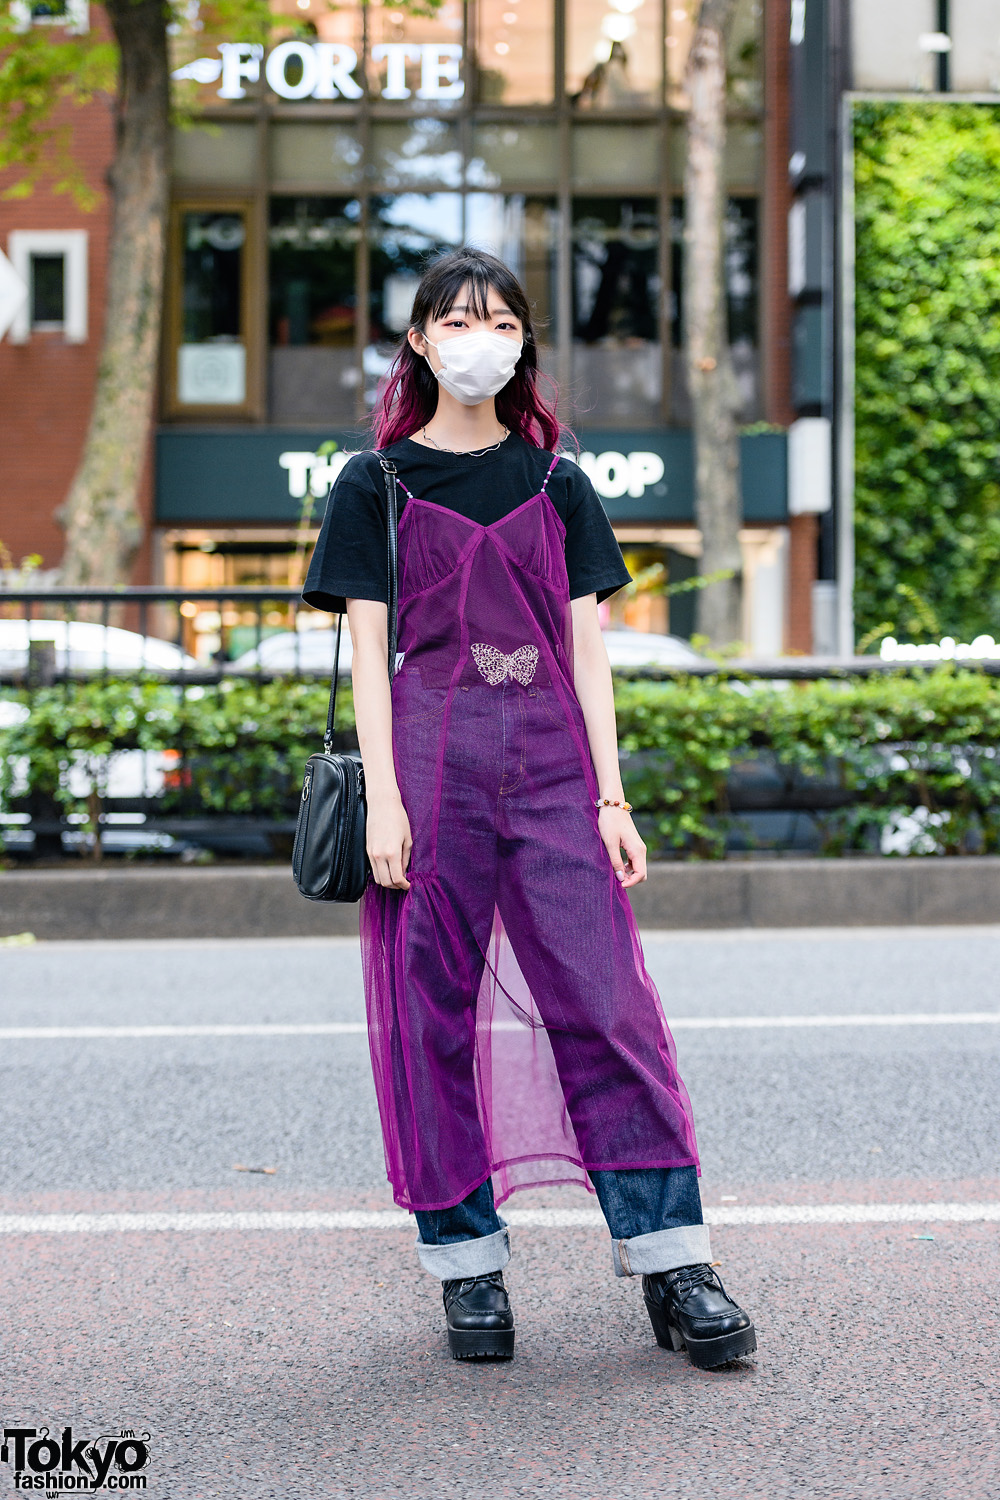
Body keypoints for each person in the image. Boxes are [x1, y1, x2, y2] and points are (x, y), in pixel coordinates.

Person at [302, 248, 756, 1370]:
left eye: (500, 321)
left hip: (555, 763)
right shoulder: (377, 484)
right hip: (430, 757)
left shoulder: (559, 482)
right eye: (456, 321)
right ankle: (466, 1270)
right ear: (417, 341)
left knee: (607, 1007)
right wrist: (385, 805)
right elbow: (367, 655)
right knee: (430, 1017)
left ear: (523, 344)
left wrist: (612, 794)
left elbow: (589, 651)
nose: (479, 338)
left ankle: (673, 1263)